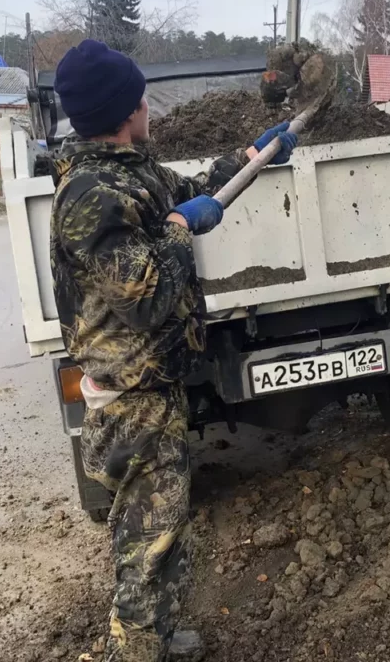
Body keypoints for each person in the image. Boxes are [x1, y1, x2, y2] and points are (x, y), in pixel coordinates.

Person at [49, 39, 298, 661]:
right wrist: (183, 229)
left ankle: (155, 638)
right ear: (126, 108)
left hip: (153, 383)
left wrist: (251, 157)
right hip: (130, 394)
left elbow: (186, 189)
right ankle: (135, 652)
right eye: (140, 98)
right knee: (146, 538)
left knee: (164, 527)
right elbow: (146, 294)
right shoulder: (90, 194)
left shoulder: (129, 170)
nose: (147, 107)